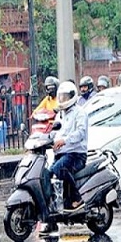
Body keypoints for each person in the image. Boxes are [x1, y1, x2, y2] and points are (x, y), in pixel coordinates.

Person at [51, 81, 88, 211]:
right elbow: (54, 131)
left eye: (65, 97)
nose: (63, 100)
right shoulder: (60, 114)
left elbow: (80, 133)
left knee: (59, 169)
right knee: (47, 173)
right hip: (61, 153)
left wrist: (65, 140)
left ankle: (77, 198)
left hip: (76, 154)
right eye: (61, 97)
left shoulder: (80, 113)